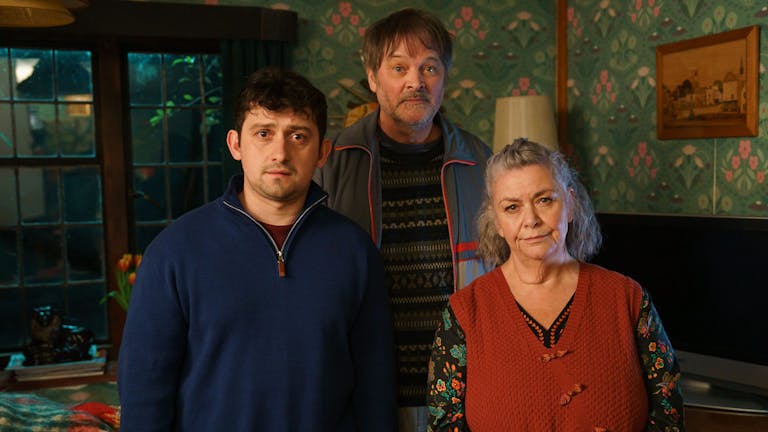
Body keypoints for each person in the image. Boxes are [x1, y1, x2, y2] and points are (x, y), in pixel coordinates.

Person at [118, 67, 397, 431]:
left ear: (322, 152)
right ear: (236, 144)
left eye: (298, 136)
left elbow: (376, 390)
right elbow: (144, 393)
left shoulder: (356, 253)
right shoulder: (174, 253)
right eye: (263, 133)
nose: (280, 152)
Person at [314, 8, 492, 431]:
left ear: (444, 78)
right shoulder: (329, 162)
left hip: (465, 389)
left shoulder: (482, 162)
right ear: (374, 78)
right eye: (399, 67)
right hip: (363, 389)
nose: (416, 81)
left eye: (429, 67)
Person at [426, 139, 685, 431]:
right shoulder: (464, 312)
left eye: (544, 200)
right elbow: (444, 424)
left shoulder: (628, 298)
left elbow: (668, 415)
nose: (531, 220)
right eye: (512, 207)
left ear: (570, 203)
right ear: (497, 221)